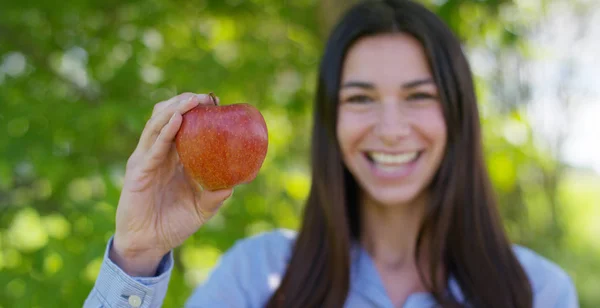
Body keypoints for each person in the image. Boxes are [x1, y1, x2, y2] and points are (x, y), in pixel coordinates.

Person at [83, 0, 579, 307]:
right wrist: (138, 256)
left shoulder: (540, 293)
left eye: (419, 96)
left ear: (458, 115)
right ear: (330, 121)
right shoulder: (255, 275)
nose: (389, 130)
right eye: (360, 98)